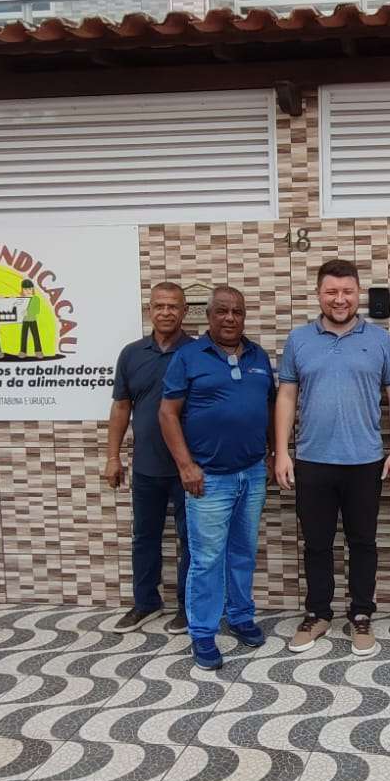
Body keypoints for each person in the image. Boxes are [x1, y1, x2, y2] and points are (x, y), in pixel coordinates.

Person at [275, 260, 390, 656]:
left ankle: (361, 615)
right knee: (316, 543)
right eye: (331, 291)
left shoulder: (380, 340)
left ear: (358, 293)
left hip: (364, 461)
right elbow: (286, 396)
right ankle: (318, 614)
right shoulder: (299, 340)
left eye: (347, 291)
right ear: (318, 294)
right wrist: (282, 451)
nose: (339, 299)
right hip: (312, 459)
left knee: (362, 542)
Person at [159, 286, 275, 670]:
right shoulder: (188, 356)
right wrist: (186, 466)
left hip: (252, 474)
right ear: (208, 316)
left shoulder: (258, 356)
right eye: (222, 311)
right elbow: (167, 414)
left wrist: (272, 454)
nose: (230, 318)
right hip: (208, 479)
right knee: (207, 559)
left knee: (243, 551)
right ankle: (203, 632)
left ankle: (240, 616)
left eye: (237, 312)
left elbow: (269, 408)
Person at [105, 282, 193, 635]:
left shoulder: (198, 352)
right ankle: (145, 603)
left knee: (191, 540)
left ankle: (187, 607)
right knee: (144, 536)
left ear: (185, 311)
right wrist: (112, 457)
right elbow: (121, 407)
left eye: (173, 306)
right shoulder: (131, 354)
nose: (166, 312)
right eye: (159, 306)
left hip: (188, 467)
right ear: (150, 310)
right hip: (145, 466)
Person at [19, 279, 43, 358]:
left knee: (35, 335)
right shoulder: (21, 299)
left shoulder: (36, 299)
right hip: (24, 320)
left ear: (32, 289)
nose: (28, 291)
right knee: (24, 336)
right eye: (25, 289)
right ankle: (23, 351)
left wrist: (28, 312)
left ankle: (38, 351)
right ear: (22, 290)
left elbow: (36, 310)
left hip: (33, 320)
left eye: (30, 289)